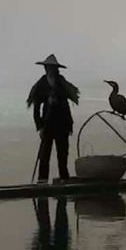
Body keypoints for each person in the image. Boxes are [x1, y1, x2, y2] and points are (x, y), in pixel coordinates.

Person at [26, 54, 80, 183]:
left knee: (62, 154)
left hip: (62, 124)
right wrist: (39, 127)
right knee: (44, 156)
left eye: (51, 67)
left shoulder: (62, 83)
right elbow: (36, 108)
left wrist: (69, 124)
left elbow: (66, 106)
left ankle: (64, 180)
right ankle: (42, 181)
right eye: (47, 67)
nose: (49, 69)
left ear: (56, 69)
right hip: (47, 125)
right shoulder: (41, 85)